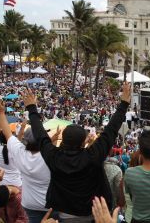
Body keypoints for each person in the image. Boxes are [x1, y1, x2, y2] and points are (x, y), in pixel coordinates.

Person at [22, 83, 130, 221]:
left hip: (64, 215)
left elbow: (40, 135)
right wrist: (124, 104)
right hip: (93, 215)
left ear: (64, 140)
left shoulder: (54, 156)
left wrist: (32, 108)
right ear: (83, 143)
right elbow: (111, 130)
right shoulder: (93, 156)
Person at [0, 98, 54, 223]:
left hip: (29, 204)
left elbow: (8, 134)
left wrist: (1, 113)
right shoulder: (51, 156)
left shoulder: (19, 153)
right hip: (49, 205)